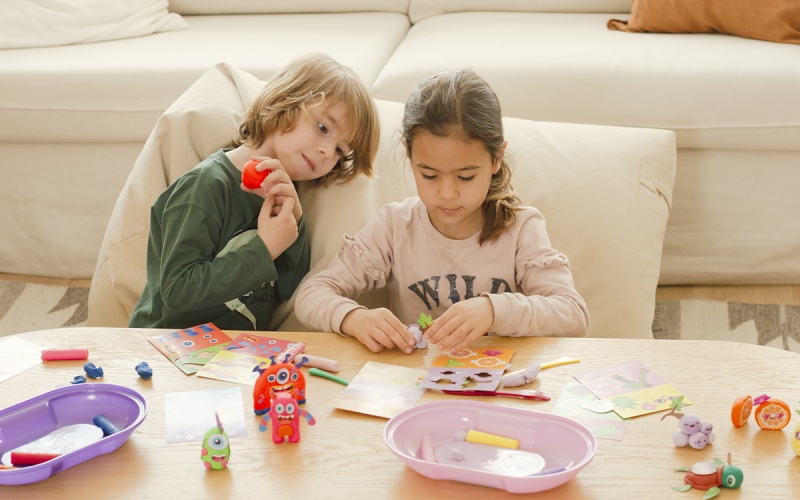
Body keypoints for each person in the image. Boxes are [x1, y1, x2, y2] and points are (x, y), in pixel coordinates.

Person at [295, 69, 589, 353]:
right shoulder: (395, 225)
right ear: (409, 154)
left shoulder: (521, 227)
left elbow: (572, 314)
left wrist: (493, 310)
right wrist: (354, 319)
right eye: (430, 175)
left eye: (466, 177)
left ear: (497, 158)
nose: (448, 194)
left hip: (499, 378)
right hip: (416, 380)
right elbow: (312, 294)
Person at [129, 53, 380, 330]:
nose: (327, 152)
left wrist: (296, 225)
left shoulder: (286, 193)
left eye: (340, 150)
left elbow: (288, 291)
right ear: (286, 101)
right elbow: (177, 293)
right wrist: (264, 248)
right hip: (164, 344)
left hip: (236, 350)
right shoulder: (206, 186)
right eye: (322, 128)